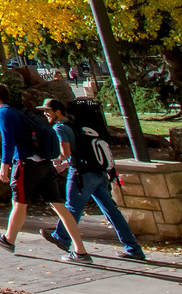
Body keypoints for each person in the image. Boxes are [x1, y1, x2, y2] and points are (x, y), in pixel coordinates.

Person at [0, 83, 91, 263]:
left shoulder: (4, 113)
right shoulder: (21, 112)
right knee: (59, 206)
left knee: (19, 203)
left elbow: (7, 141)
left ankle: (8, 240)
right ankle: (80, 251)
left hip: (27, 165)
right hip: (45, 165)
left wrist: (5, 165)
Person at [39, 98, 147, 261]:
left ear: (58, 112)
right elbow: (82, 152)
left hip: (81, 176)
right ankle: (133, 248)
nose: (45, 113)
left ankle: (62, 238)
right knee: (112, 212)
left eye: (48, 110)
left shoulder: (60, 128)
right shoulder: (76, 125)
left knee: (71, 208)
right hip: (98, 173)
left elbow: (66, 153)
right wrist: (65, 165)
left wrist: (56, 160)